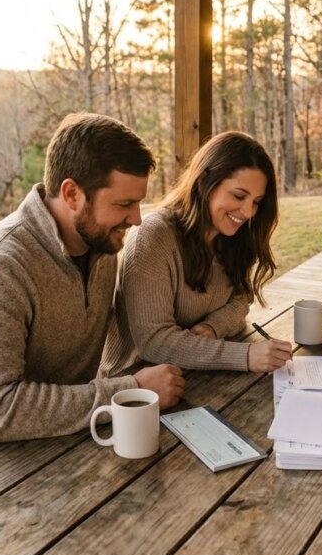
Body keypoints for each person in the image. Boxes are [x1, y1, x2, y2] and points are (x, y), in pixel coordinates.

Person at [0, 113, 185, 477]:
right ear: (72, 194)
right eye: (122, 204)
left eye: (138, 204)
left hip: (53, 447)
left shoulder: (102, 246)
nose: (136, 219)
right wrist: (128, 389)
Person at [100, 131, 293, 377]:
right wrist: (245, 356)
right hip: (135, 387)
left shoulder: (232, 237)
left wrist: (213, 327)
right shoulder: (153, 236)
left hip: (199, 375)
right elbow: (154, 341)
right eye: (239, 196)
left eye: (256, 201)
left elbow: (240, 300)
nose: (248, 212)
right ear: (204, 183)